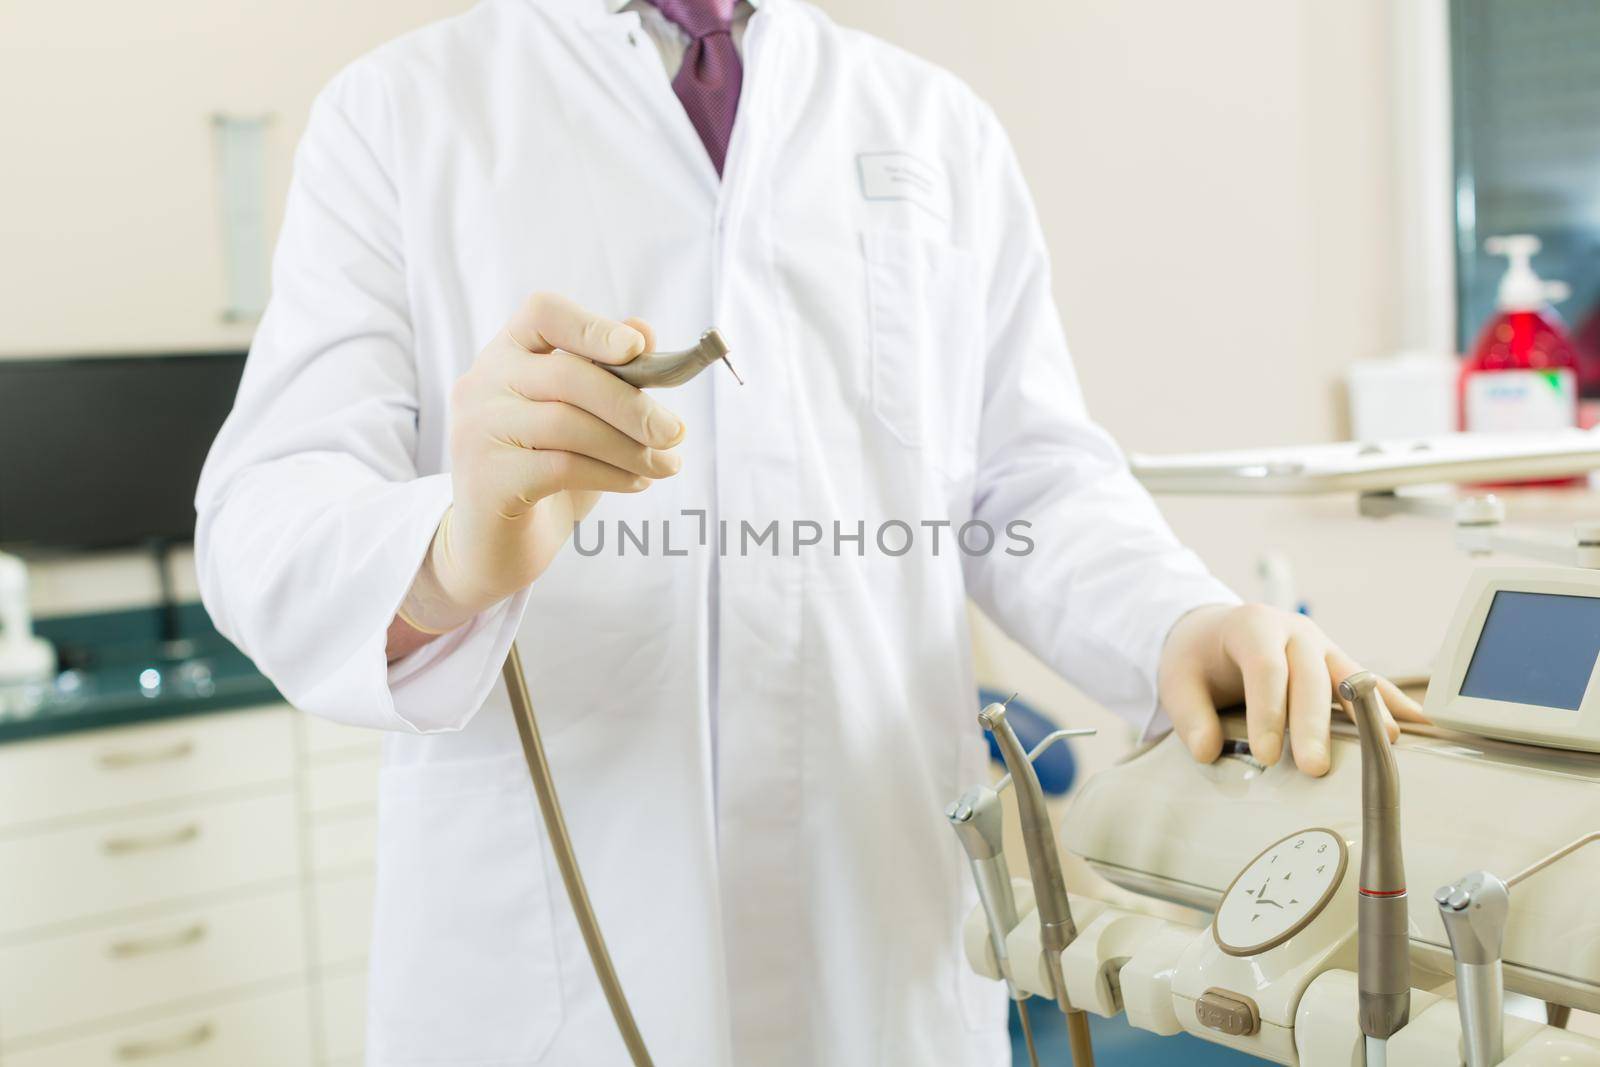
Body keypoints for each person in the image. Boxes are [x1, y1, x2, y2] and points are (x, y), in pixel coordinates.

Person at [196, 0, 1422, 1063]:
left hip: (876, 939)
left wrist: (1176, 617)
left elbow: (1024, 482)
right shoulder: (403, 114)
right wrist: (455, 549)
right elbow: (266, 519)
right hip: (543, 967)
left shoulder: (931, 124)